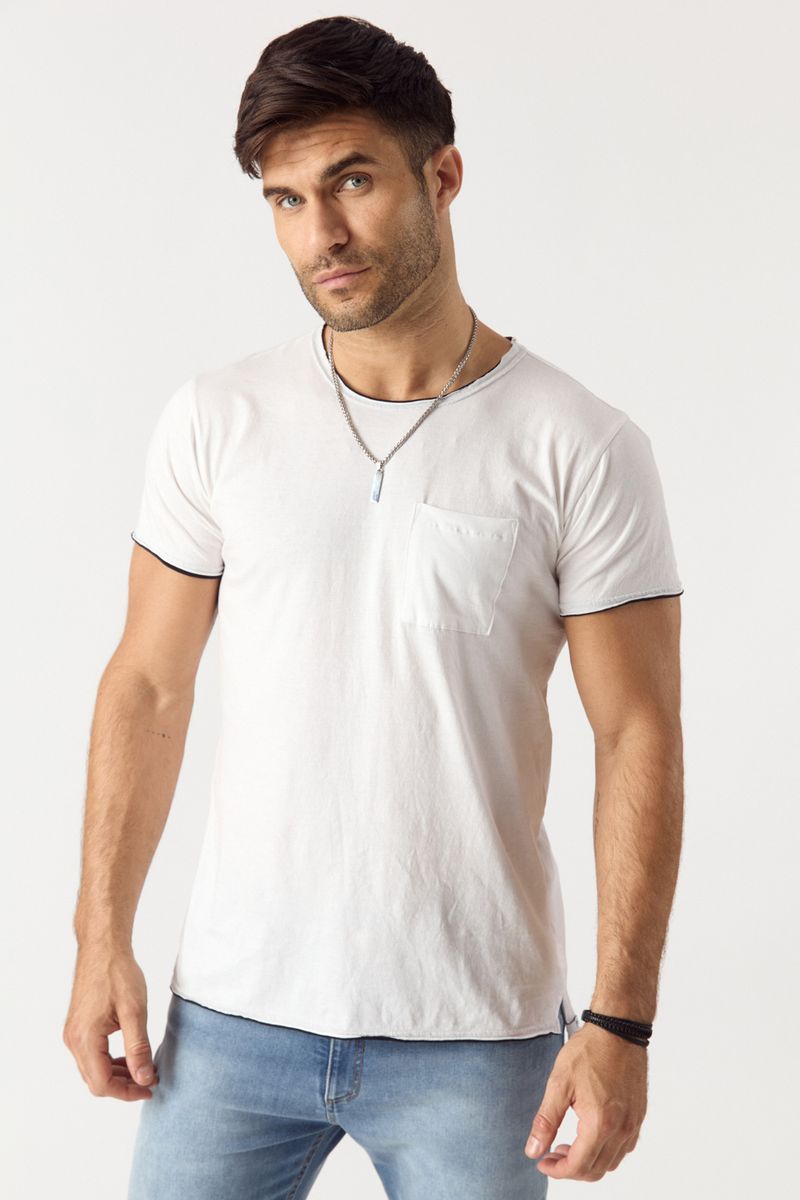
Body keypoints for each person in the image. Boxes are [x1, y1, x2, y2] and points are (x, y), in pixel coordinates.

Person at [63, 15, 685, 1198]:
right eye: (286, 200)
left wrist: (620, 1022)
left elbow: (636, 731)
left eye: (351, 182)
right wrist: (101, 937)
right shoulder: (217, 420)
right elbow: (146, 681)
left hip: (475, 1040)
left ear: (441, 176)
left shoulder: (580, 445)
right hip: (230, 1022)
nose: (322, 234)